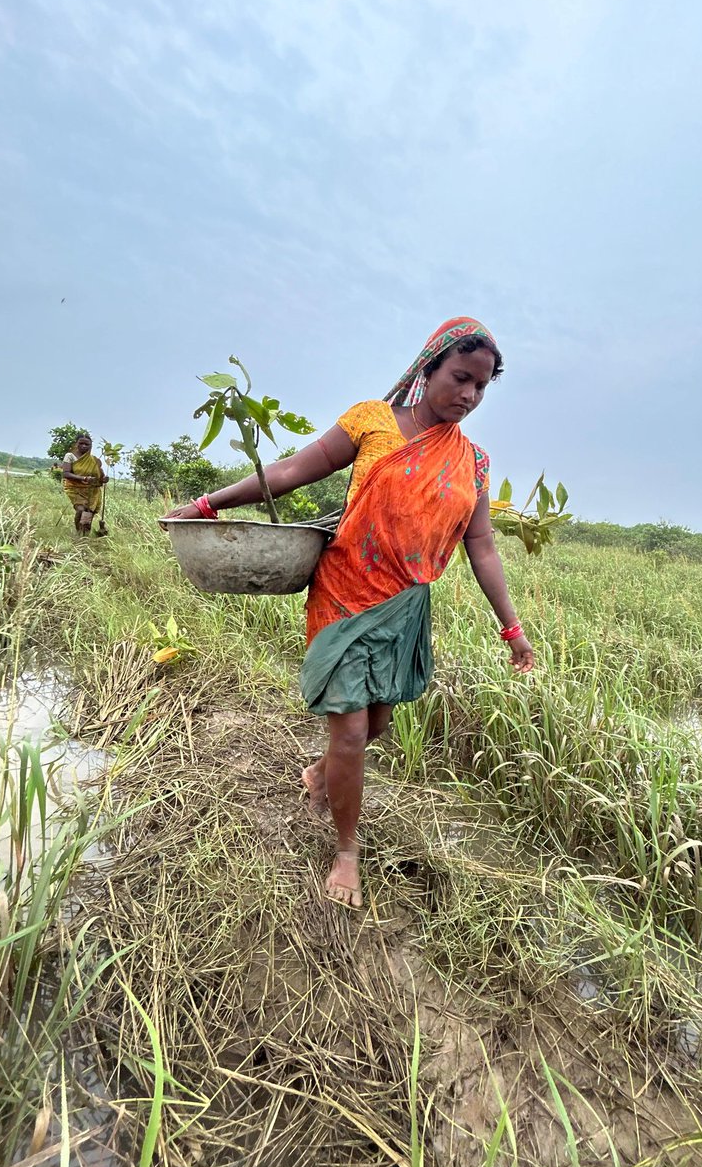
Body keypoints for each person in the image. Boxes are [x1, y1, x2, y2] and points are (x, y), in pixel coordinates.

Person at [164, 317, 535, 907]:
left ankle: (320, 774)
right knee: (353, 729)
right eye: (461, 377)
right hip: (343, 593)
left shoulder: (473, 462)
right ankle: (345, 851)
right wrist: (208, 503)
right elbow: (288, 471)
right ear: (427, 368)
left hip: (404, 605)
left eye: (481, 387)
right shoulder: (372, 422)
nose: (469, 396)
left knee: (378, 725)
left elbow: (481, 544)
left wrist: (511, 627)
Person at [62, 434, 108, 535]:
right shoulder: (70, 456)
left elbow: (100, 476)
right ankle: (78, 532)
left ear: (91, 446)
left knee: (88, 513)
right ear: (76, 444)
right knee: (80, 510)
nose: (83, 446)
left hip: (91, 490)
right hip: (75, 488)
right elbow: (66, 473)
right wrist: (84, 478)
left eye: (87, 444)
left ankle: (84, 535)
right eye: (81, 443)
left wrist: (104, 479)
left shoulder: (95, 460)